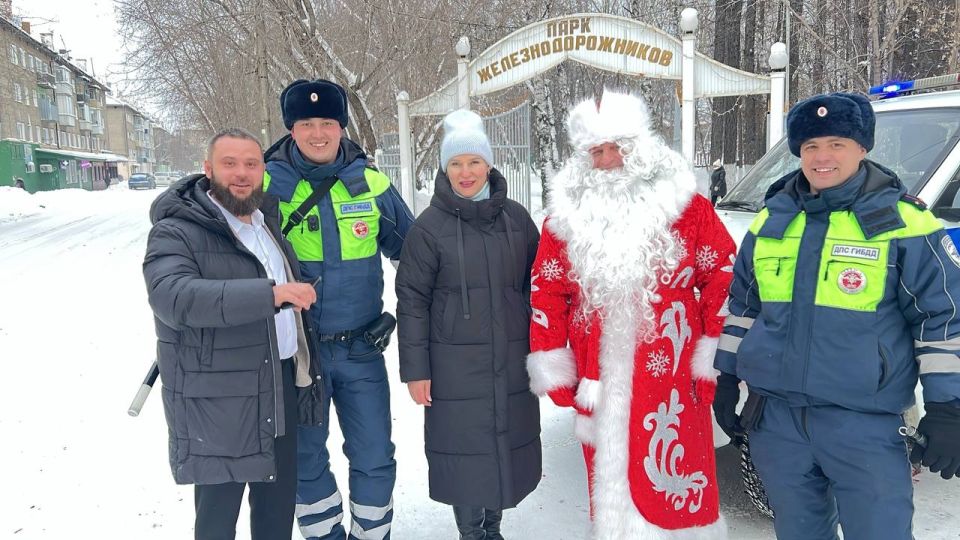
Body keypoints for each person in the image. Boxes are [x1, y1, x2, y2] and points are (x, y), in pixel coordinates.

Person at [713, 92, 960, 540]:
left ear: (863, 147)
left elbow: (942, 322)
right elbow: (743, 311)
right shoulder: (770, 221)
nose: (822, 157)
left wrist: (948, 407)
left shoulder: (905, 224)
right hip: (777, 421)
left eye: (837, 144)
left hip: (864, 424)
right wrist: (726, 379)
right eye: (810, 146)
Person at [525, 90, 734, 539]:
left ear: (638, 149)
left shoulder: (688, 209)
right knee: (611, 481)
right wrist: (553, 363)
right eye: (595, 152)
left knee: (676, 480)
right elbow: (546, 290)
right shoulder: (564, 219)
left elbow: (722, 274)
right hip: (597, 372)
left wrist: (712, 353)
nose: (606, 161)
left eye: (616, 147)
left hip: (673, 371)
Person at [142, 128, 324, 540]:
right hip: (219, 396)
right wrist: (270, 295)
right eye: (229, 164)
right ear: (207, 170)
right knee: (217, 517)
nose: (241, 174)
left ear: (263, 171)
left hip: (278, 381)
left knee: (276, 509)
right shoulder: (177, 230)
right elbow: (173, 297)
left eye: (251, 164)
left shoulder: (265, 224)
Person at [263, 78, 414, 540]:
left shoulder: (370, 183)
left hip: (361, 350)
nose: (318, 133)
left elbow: (416, 252)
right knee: (306, 459)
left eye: (327, 122)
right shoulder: (267, 184)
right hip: (298, 353)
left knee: (373, 455)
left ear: (342, 126)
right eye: (306, 123)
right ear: (292, 129)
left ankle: (372, 534)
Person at [395, 110, 542, 540]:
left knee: (505, 443)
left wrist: (546, 347)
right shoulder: (428, 229)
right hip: (452, 364)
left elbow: (540, 285)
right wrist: (416, 370)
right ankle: (470, 532)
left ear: (489, 165)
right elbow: (413, 302)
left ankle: (492, 528)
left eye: (474, 162)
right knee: (465, 450)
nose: (465, 172)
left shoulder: (517, 220)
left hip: (512, 355)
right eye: (456, 163)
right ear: (444, 168)